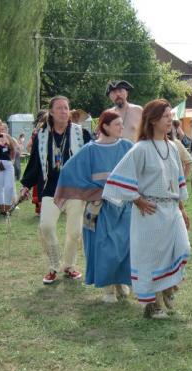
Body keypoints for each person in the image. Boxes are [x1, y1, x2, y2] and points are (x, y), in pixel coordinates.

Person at [103, 99, 191, 319]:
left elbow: (177, 179)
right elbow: (117, 179)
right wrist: (136, 199)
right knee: (152, 259)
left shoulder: (172, 146)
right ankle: (153, 306)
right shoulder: (140, 148)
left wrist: (181, 208)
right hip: (150, 212)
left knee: (182, 248)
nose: (170, 120)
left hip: (171, 209)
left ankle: (169, 287)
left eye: (171, 116)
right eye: (165, 117)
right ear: (152, 121)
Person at [55, 110, 132, 303]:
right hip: (100, 207)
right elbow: (69, 172)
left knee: (124, 245)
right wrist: (93, 191)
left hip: (124, 206)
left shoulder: (127, 147)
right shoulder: (90, 150)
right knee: (104, 246)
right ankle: (107, 289)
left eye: (122, 124)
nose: (122, 127)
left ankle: (121, 281)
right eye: (117, 124)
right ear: (105, 127)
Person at [20, 96, 92, 284]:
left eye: (66, 108)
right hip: (50, 189)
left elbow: (91, 159)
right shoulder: (42, 135)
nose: (63, 111)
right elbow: (35, 162)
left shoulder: (80, 133)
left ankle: (69, 266)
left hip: (75, 189)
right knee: (46, 226)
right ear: (51, 112)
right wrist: (26, 185)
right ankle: (53, 265)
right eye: (59, 108)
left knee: (74, 232)